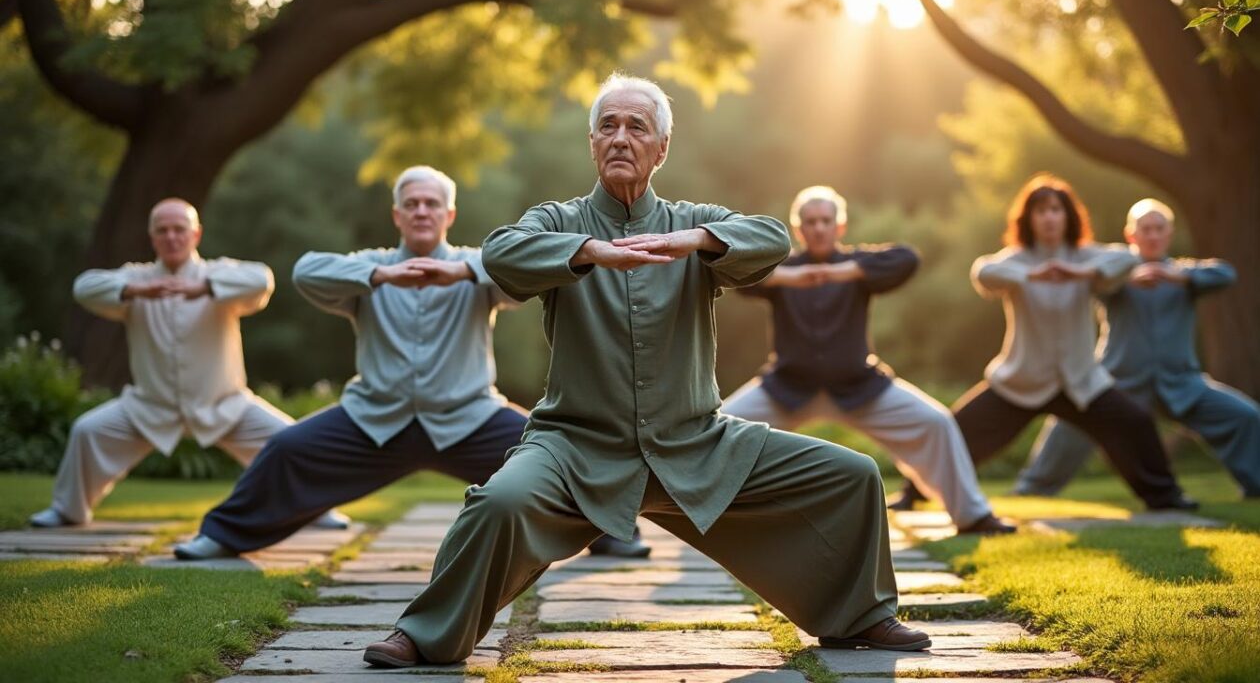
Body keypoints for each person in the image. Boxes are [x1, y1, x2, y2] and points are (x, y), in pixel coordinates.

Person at [363, 74, 929, 669]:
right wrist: (587, 252)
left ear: (661, 149)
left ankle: (859, 617)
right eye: (607, 125)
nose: (620, 138)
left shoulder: (694, 222)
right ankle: (426, 634)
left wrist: (695, 242)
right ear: (591, 143)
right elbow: (500, 253)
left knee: (853, 474)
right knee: (497, 503)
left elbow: (771, 238)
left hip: (697, 443)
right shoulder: (559, 220)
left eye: (637, 127)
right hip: (575, 448)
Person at [173, 166, 650, 560]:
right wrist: (381, 276)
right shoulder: (370, 267)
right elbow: (305, 272)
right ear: (397, 215)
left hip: (470, 419)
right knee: (285, 450)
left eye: (432, 204)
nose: (422, 211)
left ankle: (613, 534)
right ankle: (221, 537)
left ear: (449, 214)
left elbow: (533, 268)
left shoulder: (479, 266)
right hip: (374, 421)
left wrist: (462, 271)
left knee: (558, 455)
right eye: (412, 204)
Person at [29, 200, 346, 530]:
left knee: (290, 440)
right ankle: (69, 511)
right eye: (162, 231)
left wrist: (207, 288)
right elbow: (84, 287)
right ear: (152, 238)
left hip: (225, 405)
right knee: (87, 431)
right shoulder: (137, 278)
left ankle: (317, 508)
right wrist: (137, 290)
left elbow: (262, 279)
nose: (171, 237)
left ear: (196, 234)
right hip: (149, 407)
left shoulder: (218, 273)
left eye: (179, 229)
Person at [890, 175, 1196, 513]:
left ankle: (1166, 498)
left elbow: (1128, 259)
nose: (1049, 217)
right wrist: (1029, 275)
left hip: (1081, 382)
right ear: (1029, 220)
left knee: (1135, 423)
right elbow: (983, 272)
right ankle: (912, 494)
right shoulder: (1017, 259)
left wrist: (1079, 273)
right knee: (955, 430)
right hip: (1020, 381)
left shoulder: (1084, 257)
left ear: (1068, 216)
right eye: (1040, 211)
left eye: (1055, 210)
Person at [722, 186, 1013, 535]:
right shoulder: (781, 268)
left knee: (936, 422)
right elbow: (737, 276)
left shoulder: (858, 266)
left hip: (860, 387)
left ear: (839, 227)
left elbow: (907, 259)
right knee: (719, 429)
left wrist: (846, 272)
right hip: (787, 388)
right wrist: (789, 277)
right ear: (798, 230)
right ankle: (701, 516)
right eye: (810, 222)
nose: (818, 228)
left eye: (825, 221)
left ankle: (973, 516)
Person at [1014, 198, 1260, 498]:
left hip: (1182, 384)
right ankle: (1032, 489)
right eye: (1145, 229)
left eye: (1159, 229)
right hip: (1118, 384)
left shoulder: (1184, 274)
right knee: (1070, 423)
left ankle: (1256, 485)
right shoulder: (1114, 275)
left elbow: (1225, 275)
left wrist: (1177, 277)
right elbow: (1093, 277)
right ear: (1131, 235)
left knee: (1246, 416)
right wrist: (1127, 278)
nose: (1153, 236)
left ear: (1168, 234)